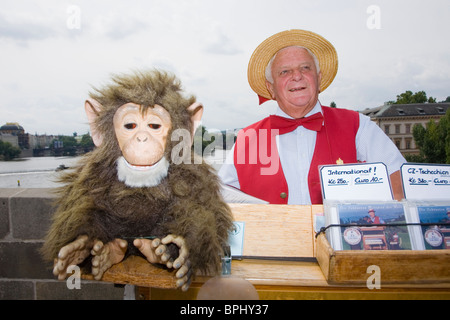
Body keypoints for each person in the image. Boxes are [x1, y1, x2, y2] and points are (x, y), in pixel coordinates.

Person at [219, 29, 406, 205]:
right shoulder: (247, 139)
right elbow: (220, 201)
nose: (297, 76)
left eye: (305, 68)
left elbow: (399, 185)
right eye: (285, 71)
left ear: (319, 78)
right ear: (271, 87)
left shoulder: (359, 126)